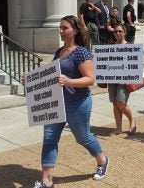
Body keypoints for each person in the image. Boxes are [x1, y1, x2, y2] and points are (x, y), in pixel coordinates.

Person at [33, 15, 109, 188]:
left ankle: (102, 161)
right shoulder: (59, 52)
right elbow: (51, 74)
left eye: (64, 28)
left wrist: (69, 82)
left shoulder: (81, 51)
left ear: (74, 30)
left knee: (83, 138)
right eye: (60, 27)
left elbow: (90, 79)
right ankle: (47, 180)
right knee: (50, 138)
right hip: (57, 103)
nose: (61, 30)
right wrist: (31, 80)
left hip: (78, 103)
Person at [107, 25, 136, 136]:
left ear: (124, 32)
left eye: (120, 31)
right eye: (115, 31)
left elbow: (134, 64)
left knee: (121, 103)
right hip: (112, 79)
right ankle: (118, 128)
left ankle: (132, 120)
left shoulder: (130, 46)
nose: (117, 33)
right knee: (115, 104)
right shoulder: (110, 47)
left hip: (125, 80)